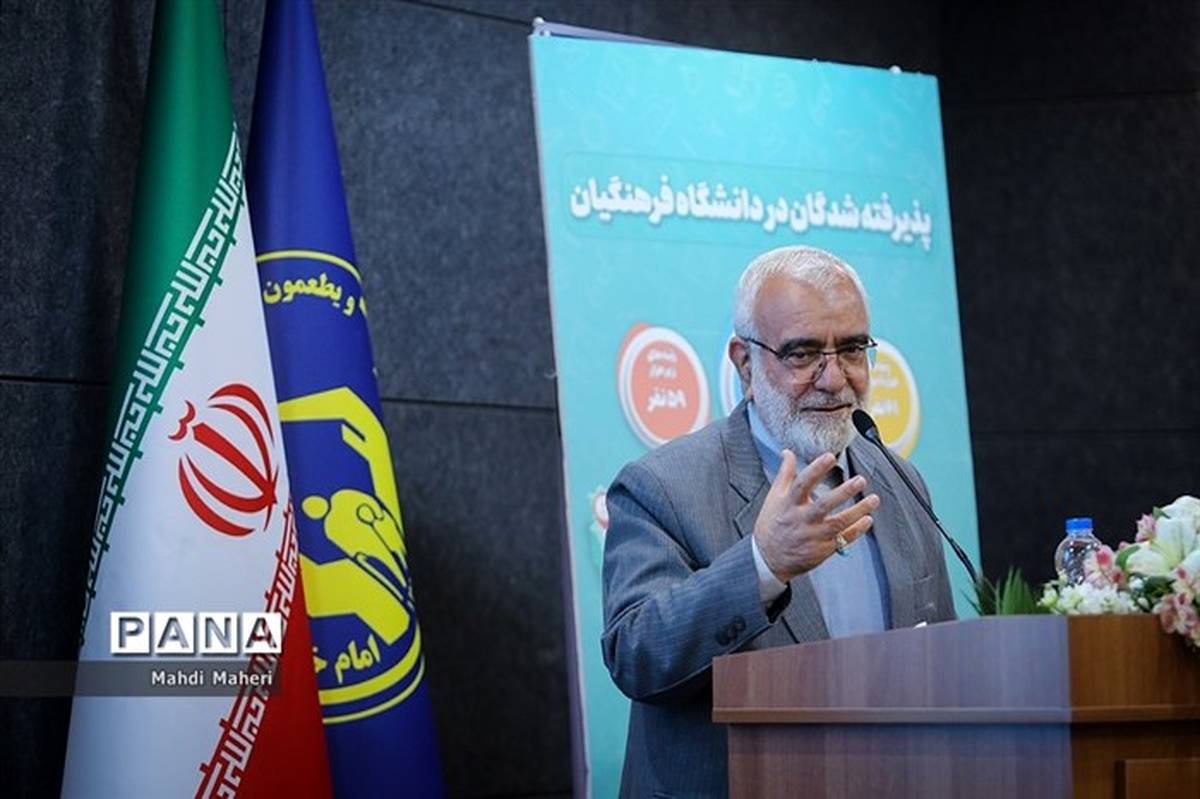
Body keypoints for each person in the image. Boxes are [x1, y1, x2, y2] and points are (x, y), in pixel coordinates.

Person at [601, 245, 956, 798]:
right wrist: (763, 565)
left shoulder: (900, 480)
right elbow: (636, 657)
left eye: (852, 349)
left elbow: (946, 658)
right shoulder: (662, 486)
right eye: (802, 353)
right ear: (745, 363)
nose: (834, 378)